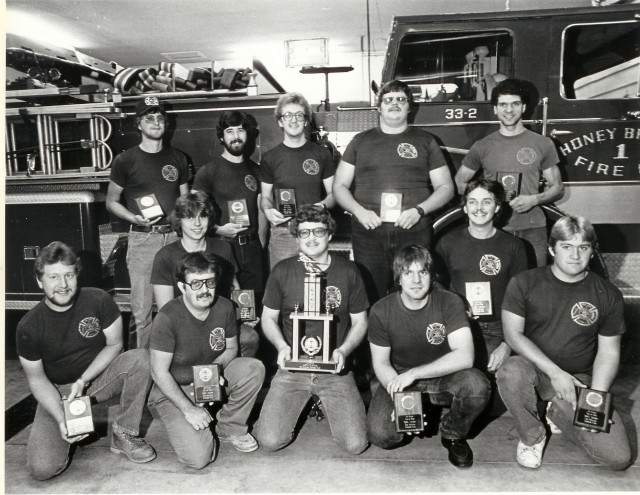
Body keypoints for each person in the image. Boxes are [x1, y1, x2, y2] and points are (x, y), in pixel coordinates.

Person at [496, 215, 631, 470]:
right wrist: (555, 373)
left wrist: (596, 399)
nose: (575, 255)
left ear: (592, 251)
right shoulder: (524, 283)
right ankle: (532, 435)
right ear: (551, 249)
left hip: (579, 381)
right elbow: (513, 335)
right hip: (535, 373)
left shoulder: (608, 293)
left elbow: (609, 353)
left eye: (583, 247)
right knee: (510, 371)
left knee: (618, 458)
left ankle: (555, 411)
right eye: (566, 246)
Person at [16, 242, 156, 481]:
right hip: (60, 392)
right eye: (53, 277)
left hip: (97, 380)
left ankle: (124, 433)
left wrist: (84, 380)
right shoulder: (28, 326)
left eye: (68, 275)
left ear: (76, 275)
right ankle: (76, 427)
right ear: (40, 281)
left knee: (141, 359)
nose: (62, 285)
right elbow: (37, 380)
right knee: (41, 469)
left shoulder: (98, 300)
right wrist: (62, 417)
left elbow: (115, 345)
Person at [254, 205, 369, 454]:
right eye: (304, 233)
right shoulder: (282, 270)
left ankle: (324, 401)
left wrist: (344, 351)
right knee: (270, 441)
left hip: (334, 369)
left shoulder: (349, 271)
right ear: (296, 237)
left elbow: (361, 321)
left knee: (356, 445)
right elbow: (268, 318)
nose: (312, 238)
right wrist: (283, 347)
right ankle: (306, 403)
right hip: (292, 368)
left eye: (318, 231)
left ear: (329, 234)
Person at [367, 245, 490, 469]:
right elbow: (381, 363)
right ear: (398, 279)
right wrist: (402, 402)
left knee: (476, 384)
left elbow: (465, 356)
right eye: (408, 273)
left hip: (442, 375)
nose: (416, 280)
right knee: (382, 435)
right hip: (400, 379)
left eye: (422, 272)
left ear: (432, 276)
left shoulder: (450, 301)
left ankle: (452, 433)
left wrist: (416, 373)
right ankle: (421, 408)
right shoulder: (380, 310)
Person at [333, 79, 454, 303]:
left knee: (416, 291)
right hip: (369, 232)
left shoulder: (426, 141)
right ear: (379, 107)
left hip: (414, 229)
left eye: (401, 99)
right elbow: (339, 187)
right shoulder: (360, 141)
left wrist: (419, 210)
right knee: (370, 294)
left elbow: (446, 187)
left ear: (410, 106)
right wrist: (360, 212)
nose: (395, 104)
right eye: (388, 100)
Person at [149, 252, 265, 469]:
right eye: (195, 284)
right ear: (182, 287)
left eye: (209, 282)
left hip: (206, 379)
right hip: (176, 389)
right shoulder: (167, 317)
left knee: (252, 368)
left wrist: (214, 372)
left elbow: (231, 347)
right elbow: (158, 373)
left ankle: (229, 427)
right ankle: (182, 418)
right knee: (199, 458)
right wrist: (188, 409)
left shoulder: (225, 307)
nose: (204, 290)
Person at [106, 96, 191, 349]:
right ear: (139, 124)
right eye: (149, 117)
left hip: (174, 239)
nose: (156, 122)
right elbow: (111, 201)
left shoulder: (178, 158)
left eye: (160, 117)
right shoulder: (125, 160)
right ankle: (141, 371)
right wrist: (133, 217)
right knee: (142, 313)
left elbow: (186, 202)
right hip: (143, 238)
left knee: (178, 307)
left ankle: (175, 364)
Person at [454, 78, 564, 267]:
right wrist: (486, 204)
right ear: (495, 109)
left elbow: (558, 188)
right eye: (503, 105)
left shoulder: (543, 144)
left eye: (515, 104)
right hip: (494, 228)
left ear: (523, 107)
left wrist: (534, 199)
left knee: (533, 284)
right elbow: (460, 182)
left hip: (532, 228)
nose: (509, 110)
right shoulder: (482, 146)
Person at [150, 192, 260, 357]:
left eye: (202, 217)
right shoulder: (165, 255)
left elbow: (234, 286)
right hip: (183, 323)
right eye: (189, 218)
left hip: (220, 321)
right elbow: (165, 308)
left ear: (210, 219)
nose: (197, 223)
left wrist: (244, 314)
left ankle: (234, 374)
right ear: (179, 221)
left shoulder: (223, 248)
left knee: (249, 337)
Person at [435, 179, 528, 373]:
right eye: (472, 202)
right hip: (459, 325)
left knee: (500, 384)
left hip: (500, 329)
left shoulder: (514, 246)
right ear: (465, 208)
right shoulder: (447, 243)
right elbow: (436, 285)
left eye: (486, 201)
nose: (479, 208)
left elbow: (523, 301)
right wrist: (456, 307)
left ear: (497, 207)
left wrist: (507, 344)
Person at [192, 110, 266, 299]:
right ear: (222, 137)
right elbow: (193, 212)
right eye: (230, 131)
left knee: (252, 306)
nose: (236, 136)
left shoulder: (256, 171)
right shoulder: (208, 172)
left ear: (247, 135)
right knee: (223, 304)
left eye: (240, 130)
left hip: (252, 251)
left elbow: (261, 209)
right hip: (221, 247)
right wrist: (217, 229)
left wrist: (261, 244)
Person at [259, 92, 336, 269]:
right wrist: (268, 210)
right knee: (283, 287)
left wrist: (322, 206)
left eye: (299, 115)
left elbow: (334, 194)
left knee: (316, 286)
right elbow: (265, 197)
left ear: (306, 120)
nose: (293, 120)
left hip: (315, 231)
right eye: (288, 115)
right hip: (283, 233)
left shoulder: (321, 154)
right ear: (280, 121)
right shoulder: (270, 158)